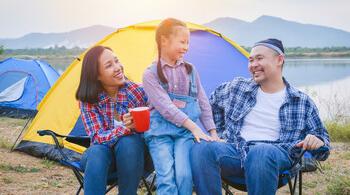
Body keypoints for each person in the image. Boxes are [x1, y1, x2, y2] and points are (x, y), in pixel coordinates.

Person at [190, 38, 330, 195]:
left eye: (259, 58)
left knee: (260, 152)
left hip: (276, 158)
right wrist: (218, 133)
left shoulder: (301, 101)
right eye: (251, 60)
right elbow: (211, 103)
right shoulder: (238, 87)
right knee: (203, 148)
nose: (253, 64)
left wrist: (316, 140)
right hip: (236, 153)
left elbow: (323, 144)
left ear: (279, 60)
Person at [142, 18, 220, 195]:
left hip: (183, 135)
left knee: (185, 176)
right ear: (163, 41)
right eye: (182, 42)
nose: (186, 47)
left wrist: (212, 132)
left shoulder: (190, 70)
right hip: (159, 134)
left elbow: (202, 102)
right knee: (166, 178)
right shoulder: (150, 74)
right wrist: (194, 128)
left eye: (188, 43)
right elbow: (167, 109)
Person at [75, 45, 153, 195]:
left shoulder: (138, 92)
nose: (118, 68)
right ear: (96, 75)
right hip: (103, 161)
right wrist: (124, 128)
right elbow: (97, 137)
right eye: (109, 65)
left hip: (135, 158)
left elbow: (160, 117)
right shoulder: (89, 100)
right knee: (96, 151)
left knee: (129, 141)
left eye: (117, 61)